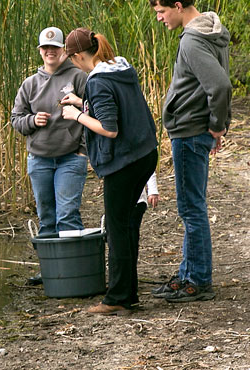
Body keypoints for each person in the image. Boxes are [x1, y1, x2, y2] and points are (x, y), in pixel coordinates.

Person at [60, 28, 158, 315]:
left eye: (73, 59)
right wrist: (83, 102)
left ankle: (117, 298)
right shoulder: (121, 69)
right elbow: (118, 107)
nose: (74, 64)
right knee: (127, 225)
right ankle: (128, 295)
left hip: (124, 163)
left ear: (79, 55)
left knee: (117, 229)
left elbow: (110, 129)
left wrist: (76, 115)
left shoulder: (98, 81)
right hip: (145, 154)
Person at [147, 0, 231, 303]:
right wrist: (219, 125)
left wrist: (217, 126)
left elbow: (220, 86)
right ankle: (186, 274)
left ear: (178, 7)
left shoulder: (192, 41)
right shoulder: (210, 32)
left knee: (191, 209)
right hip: (196, 131)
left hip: (189, 132)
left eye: (161, 11)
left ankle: (197, 281)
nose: (160, 18)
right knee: (191, 206)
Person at [11, 27, 89, 285]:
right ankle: (49, 271)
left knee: (67, 214)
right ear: (40, 51)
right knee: (46, 217)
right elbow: (16, 120)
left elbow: (95, 113)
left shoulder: (79, 77)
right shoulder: (29, 84)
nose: (49, 52)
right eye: (45, 48)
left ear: (64, 51)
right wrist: (33, 120)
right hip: (39, 159)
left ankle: (72, 271)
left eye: (55, 48)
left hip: (70, 157)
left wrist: (82, 151)